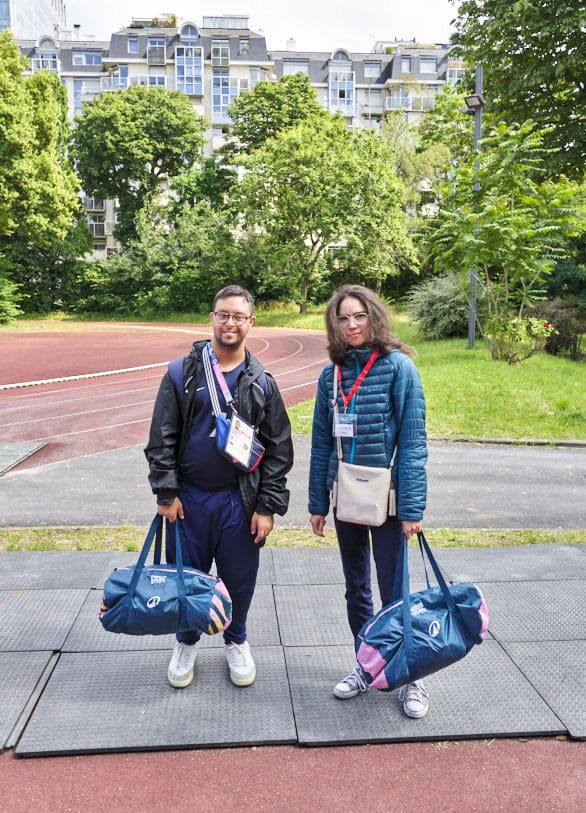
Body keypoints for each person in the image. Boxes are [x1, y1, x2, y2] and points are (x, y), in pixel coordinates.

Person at [145, 285, 293, 689]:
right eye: (223, 315)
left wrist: (267, 506)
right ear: (211, 318)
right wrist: (166, 492)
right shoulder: (180, 374)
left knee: (239, 578)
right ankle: (186, 641)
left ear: (251, 323)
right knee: (188, 578)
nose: (230, 323)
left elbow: (279, 450)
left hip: (239, 502)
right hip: (189, 501)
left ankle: (236, 639)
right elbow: (162, 437)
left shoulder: (262, 382)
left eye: (238, 316)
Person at [308, 284, 429, 718]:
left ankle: (409, 675)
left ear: (373, 317)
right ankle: (366, 664)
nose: (351, 325)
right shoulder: (331, 375)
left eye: (358, 316)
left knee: (395, 589)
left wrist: (412, 508)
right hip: (347, 497)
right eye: (343, 318)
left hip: (389, 500)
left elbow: (413, 443)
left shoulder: (399, 369)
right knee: (356, 587)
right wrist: (317, 502)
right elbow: (321, 442)